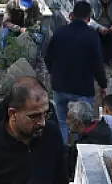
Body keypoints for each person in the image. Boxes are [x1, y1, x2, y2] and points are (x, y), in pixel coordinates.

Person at [42, 1, 107, 145]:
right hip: (83, 89)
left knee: (62, 122)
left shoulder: (60, 32)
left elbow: (48, 57)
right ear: (89, 18)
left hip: (60, 86)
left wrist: (54, 73)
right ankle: (78, 152)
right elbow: (98, 65)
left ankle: (63, 151)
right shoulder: (92, 36)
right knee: (83, 124)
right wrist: (103, 85)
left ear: (71, 16)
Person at [90, 0, 112, 68]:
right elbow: (88, 18)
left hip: (111, 25)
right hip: (97, 26)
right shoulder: (91, 1)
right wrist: (98, 27)